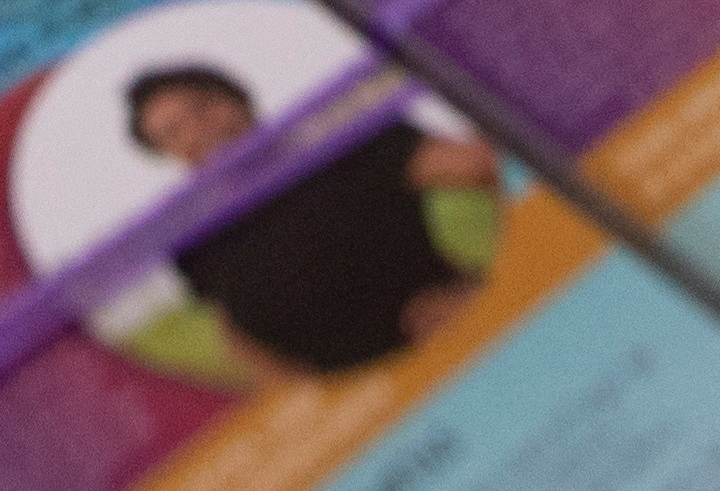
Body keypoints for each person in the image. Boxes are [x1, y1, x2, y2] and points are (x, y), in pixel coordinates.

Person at [122, 66, 501, 379]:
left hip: (466, 351)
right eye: (171, 133)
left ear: (234, 97)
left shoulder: (343, 141)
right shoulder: (194, 241)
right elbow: (241, 341)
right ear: (165, 152)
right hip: (365, 413)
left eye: (201, 108)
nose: (195, 131)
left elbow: (484, 165)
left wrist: (481, 293)